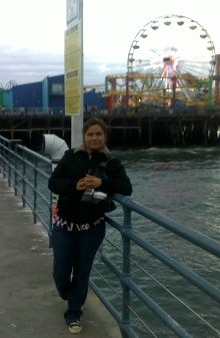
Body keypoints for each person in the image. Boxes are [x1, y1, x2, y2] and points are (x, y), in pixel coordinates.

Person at [48, 117, 132, 334]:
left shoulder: (113, 163)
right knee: (60, 273)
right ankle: (70, 295)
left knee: (82, 274)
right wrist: (75, 185)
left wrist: (101, 183)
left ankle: (74, 314)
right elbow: (53, 183)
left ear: (105, 136)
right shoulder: (71, 156)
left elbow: (127, 188)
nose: (94, 138)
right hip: (64, 227)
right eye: (90, 134)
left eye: (98, 134)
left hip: (92, 229)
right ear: (84, 137)